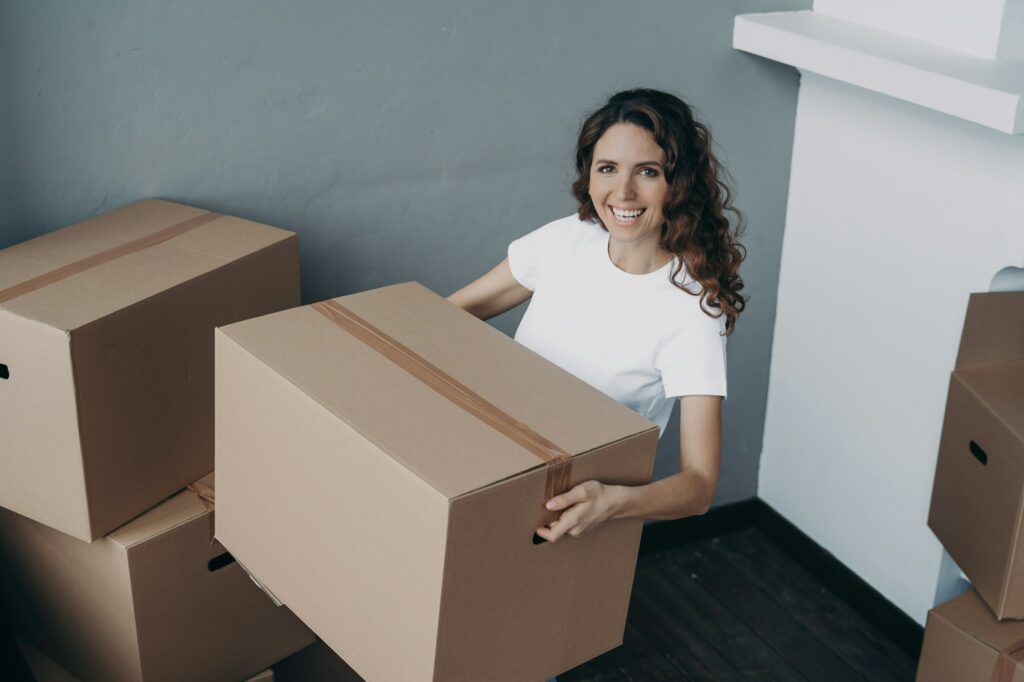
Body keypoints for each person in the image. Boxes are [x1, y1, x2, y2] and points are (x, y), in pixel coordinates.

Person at [447, 87, 746, 546]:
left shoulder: (691, 311)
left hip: (564, 511)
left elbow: (700, 485)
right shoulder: (568, 238)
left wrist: (615, 501)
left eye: (647, 172)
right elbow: (447, 317)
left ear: (679, 183)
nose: (622, 192)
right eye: (608, 169)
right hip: (486, 454)